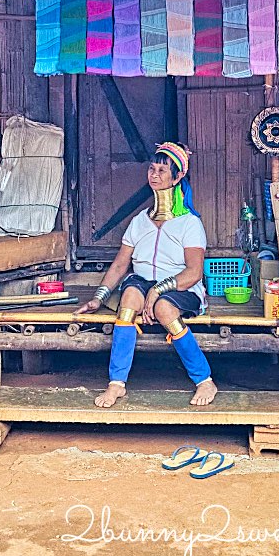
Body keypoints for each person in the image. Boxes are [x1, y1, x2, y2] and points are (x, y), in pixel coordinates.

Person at [76, 142, 217, 408]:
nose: (154, 175)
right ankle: (116, 384)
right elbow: (120, 265)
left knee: (164, 308)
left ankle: (204, 379)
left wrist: (158, 290)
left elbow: (195, 272)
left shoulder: (189, 223)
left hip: (181, 287)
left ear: (177, 178)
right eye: (152, 169)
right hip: (142, 283)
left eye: (162, 171)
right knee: (128, 300)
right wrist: (98, 297)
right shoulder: (140, 220)